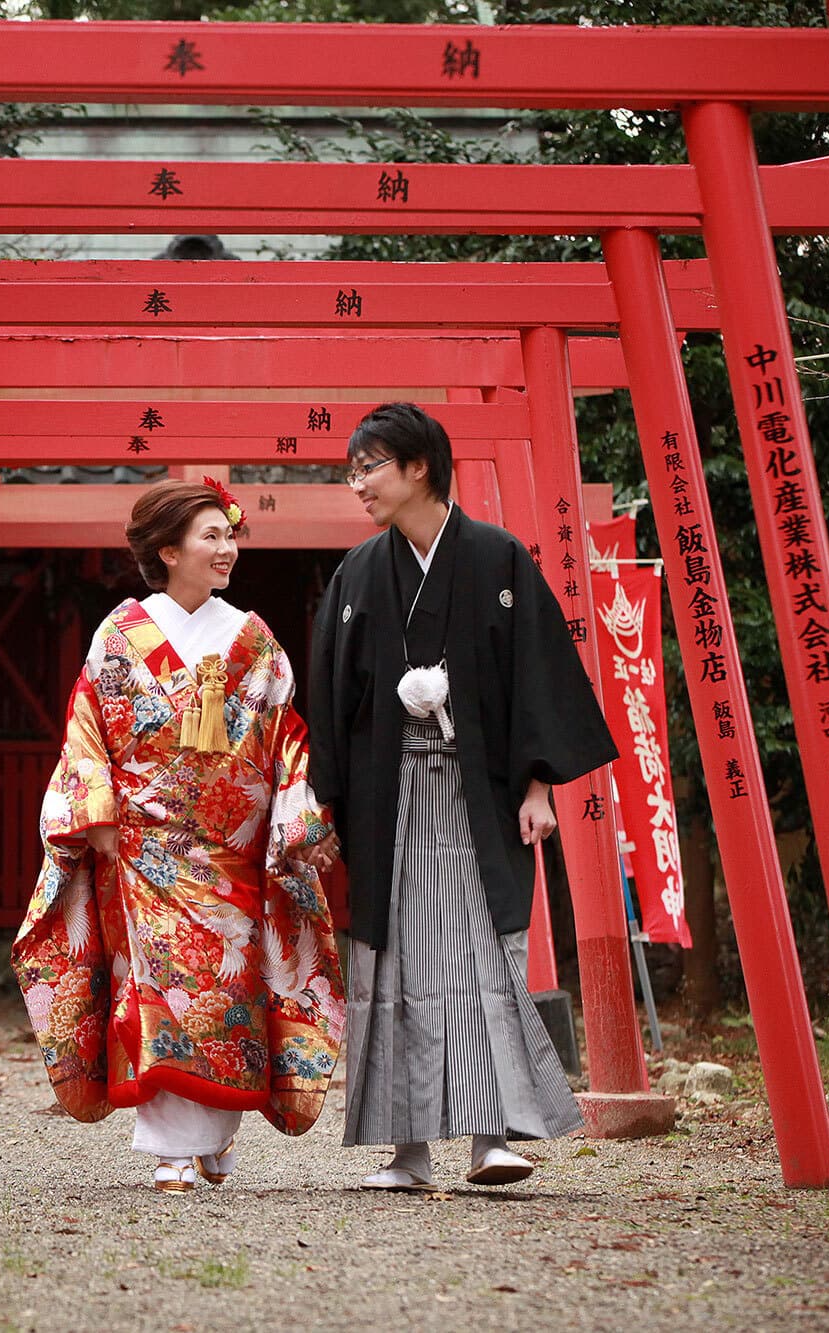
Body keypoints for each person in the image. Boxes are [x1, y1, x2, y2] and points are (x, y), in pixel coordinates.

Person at [306, 403, 616, 1190]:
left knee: (487, 956)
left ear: (418, 467)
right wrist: (325, 804)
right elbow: (331, 696)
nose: (357, 485)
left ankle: (494, 1138)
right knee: (395, 964)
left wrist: (540, 784)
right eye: (353, 470)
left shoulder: (498, 560)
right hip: (390, 798)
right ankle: (406, 1150)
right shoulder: (359, 573)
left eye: (367, 466)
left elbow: (538, 680)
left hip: (481, 793)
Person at [12, 477, 344, 1193]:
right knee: (162, 989)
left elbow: (286, 737)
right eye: (211, 536)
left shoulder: (253, 639)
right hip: (146, 849)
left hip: (234, 852)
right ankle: (168, 1145)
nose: (228, 548)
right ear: (168, 549)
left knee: (230, 994)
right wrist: (95, 814)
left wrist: (300, 821)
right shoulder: (119, 635)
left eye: (230, 536)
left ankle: (214, 1137)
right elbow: (86, 731)